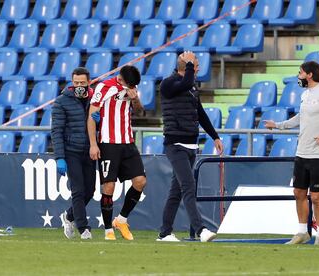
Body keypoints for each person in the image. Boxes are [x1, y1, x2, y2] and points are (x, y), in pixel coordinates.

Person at [264, 61, 319, 245]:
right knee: (298, 193)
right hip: (302, 152)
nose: (299, 76)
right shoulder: (305, 95)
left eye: (301, 72)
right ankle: (302, 232)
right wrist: (279, 125)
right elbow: (302, 117)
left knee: (317, 197)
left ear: (309, 75)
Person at [157, 51, 224, 242]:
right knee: (188, 186)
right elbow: (184, 83)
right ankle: (201, 229)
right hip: (175, 144)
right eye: (195, 65)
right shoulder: (168, 83)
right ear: (185, 66)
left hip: (191, 144)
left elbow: (200, 113)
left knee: (176, 190)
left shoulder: (192, 86)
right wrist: (188, 65)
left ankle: (165, 232)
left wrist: (215, 137)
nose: (198, 68)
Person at [87, 65, 146, 241]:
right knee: (109, 186)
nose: (131, 89)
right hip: (108, 144)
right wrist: (93, 144)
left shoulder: (132, 87)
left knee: (140, 181)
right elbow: (91, 116)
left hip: (128, 141)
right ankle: (107, 231)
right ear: (120, 79)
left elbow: (140, 111)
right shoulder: (104, 87)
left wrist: (135, 99)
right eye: (129, 86)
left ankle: (121, 220)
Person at [51, 67, 96, 240]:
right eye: (76, 83)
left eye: (82, 83)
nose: (79, 86)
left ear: (88, 82)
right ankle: (84, 228)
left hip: (90, 150)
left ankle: (69, 216)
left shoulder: (95, 99)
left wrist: (99, 122)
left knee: (90, 191)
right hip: (71, 152)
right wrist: (60, 157)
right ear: (72, 82)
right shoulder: (62, 102)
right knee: (77, 190)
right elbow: (56, 131)